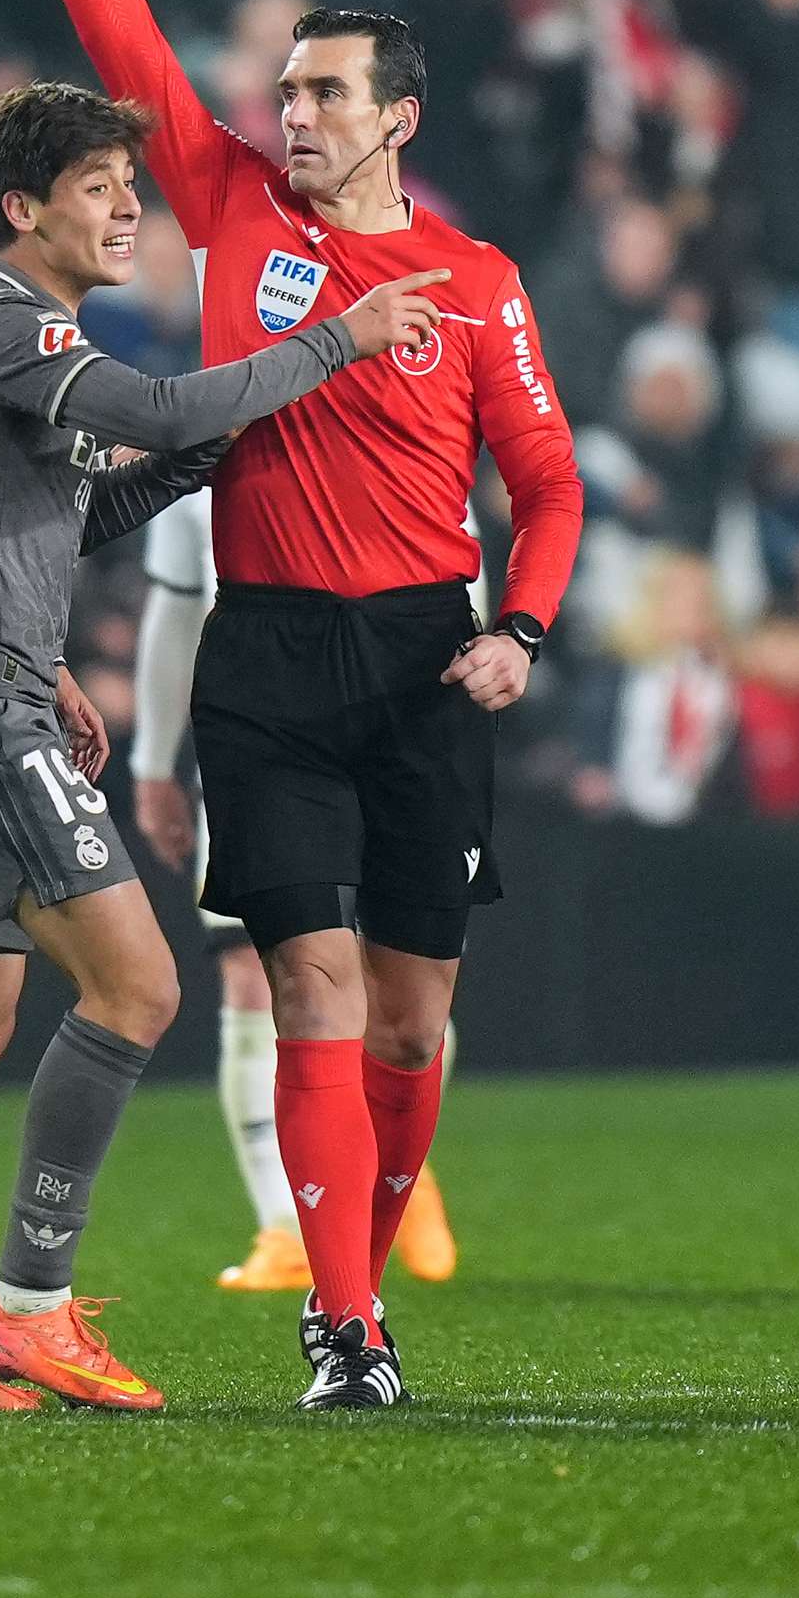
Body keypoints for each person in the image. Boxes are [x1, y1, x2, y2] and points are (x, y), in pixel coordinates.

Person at [1, 0, 583, 1410]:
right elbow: (112, 18)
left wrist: (523, 632)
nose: (293, 111)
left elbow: (544, 479)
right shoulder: (235, 204)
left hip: (425, 659)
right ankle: (347, 1325)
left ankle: (371, 1267)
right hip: (261, 653)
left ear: (398, 115)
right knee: (306, 974)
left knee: (410, 1020)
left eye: (325, 92)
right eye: (285, 90)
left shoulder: (477, 280)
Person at [0, 78, 434, 1415]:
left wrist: (204, 459)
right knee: (139, 990)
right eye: (101, 187)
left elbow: (78, 507)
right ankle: (31, 1308)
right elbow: (158, 412)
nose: (130, 208)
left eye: (132, 183)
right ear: (22, 207)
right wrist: (334, 344)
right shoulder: (12, 325)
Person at [131, 484, 461, 1294]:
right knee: (255, 974)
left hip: (395, 740)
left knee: (402, 990)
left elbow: (466, 590)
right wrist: (153, 760)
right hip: (260, 739)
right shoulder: (216, 438)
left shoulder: (410, 428)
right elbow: (176, 613)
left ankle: (398, 1173)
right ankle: (285, 1224)